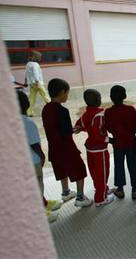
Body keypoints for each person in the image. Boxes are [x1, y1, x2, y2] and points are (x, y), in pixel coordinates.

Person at [42, 78, 92, 207]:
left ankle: (65, 192)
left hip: (53, 148)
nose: (67, 96)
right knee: (80, 169)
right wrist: (74, 129)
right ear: (62, 92)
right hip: (66, 147)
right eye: (67, 93)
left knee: (61, 170)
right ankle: (80, 198)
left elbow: (53, 128)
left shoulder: (45, 109)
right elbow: (65, 132)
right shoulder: (63, 111)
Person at [17, 90, 62, 222]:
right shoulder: (27, 123)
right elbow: (34, 144)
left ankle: (43, 203)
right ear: (26, 105)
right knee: (37, 184)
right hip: (32, 160)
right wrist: (42, 156)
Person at [74, 89, 114, 207]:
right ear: (98, 100)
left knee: (95, 173)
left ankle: (103, 190)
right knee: (102, 173)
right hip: (100, 150)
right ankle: (100, 199)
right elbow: (99, 134)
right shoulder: (100, 115)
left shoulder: (85, 114)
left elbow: (77, 126)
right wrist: (110, 140)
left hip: (90, 149)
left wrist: (83, 129)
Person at [105, 85, 136, 200]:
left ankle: (120, 189)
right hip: (131, 142)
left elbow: (109, 128)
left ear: (111, 97)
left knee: (119, 166)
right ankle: (135, 189)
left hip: (117, 143)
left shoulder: (108, 112)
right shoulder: (130, 109)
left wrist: (114, 137)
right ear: (124, 96)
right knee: (133, 165)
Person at [25, 51, 50, 116]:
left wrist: (25, 82)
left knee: (31, 98)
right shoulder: (35, 65)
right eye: (39, 57)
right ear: (35, 57)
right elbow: (36, 74)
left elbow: (26, 74)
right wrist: (37, 83)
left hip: (31, 84)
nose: (40, 58)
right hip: (38, 83)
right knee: (45, 96)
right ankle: (54, 108)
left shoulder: (28, 64)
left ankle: (29, 112)